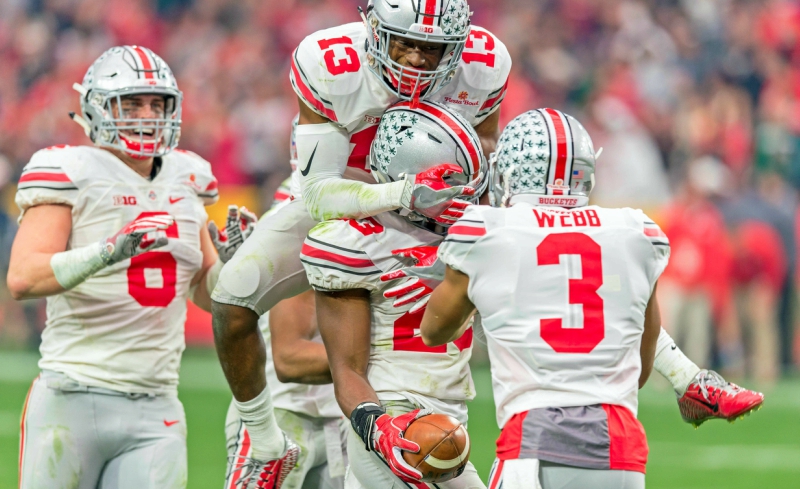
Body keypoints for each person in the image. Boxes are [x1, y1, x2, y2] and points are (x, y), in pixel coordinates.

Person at [210, 1, 511, 486]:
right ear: (372, 30)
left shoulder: (485, 65)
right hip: (347, 199)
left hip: (436, 211)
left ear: (457, 49)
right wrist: (399, 192)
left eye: (432, 49)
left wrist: (467, 223)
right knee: (233, 296)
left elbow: (486, 162)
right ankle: (265, 442)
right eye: (405, 42)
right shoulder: (331, 62)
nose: (415, 58)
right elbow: (318, 192)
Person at [418, 109, 764, 488]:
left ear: (512, 170)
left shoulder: (488, 230)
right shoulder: (632, 230)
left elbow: (434, 331)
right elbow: (640, 368)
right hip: (621, 446)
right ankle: (690, 377)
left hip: (535, 439)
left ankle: (690, 377)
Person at [7, 45, 253, 489]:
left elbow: (203, 290)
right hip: (72, 394)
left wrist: (235, 266)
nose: (146, 115)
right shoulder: (70, 169)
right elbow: (23, 277)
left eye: (156, 104)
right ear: (97, 108)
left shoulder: (188, 177)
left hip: (155, 403)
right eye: (132, 103)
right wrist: (109, 251)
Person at [301, 101, 485, 488]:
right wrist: (379, 428)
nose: (464, 196)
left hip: (450, 416)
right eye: (449, 183)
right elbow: (347, 370)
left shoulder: (473, 234)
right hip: (396, 416)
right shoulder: (355, 242)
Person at [224, 179, 347, 489]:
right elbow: (289, 358)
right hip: (281, 415)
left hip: (339, 416)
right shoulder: (315, 211)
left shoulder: (346, 198)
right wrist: (390, 355)